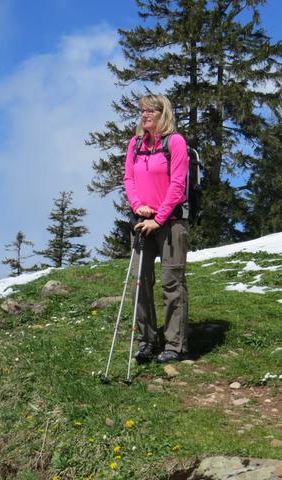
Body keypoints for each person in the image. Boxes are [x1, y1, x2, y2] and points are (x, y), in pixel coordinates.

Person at [123, 94, 190, 364]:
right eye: (143, 110)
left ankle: (175, 344)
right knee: (139, 282)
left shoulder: (175, 142)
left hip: (171, 222)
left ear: (164, 113)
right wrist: (137, 206)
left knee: (172, 283)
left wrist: (158, 218)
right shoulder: (135, 143)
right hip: (142, 221)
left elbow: (178, 185)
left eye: (151, 110)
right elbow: (128, 179)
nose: (145, 115)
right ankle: (146, 340)